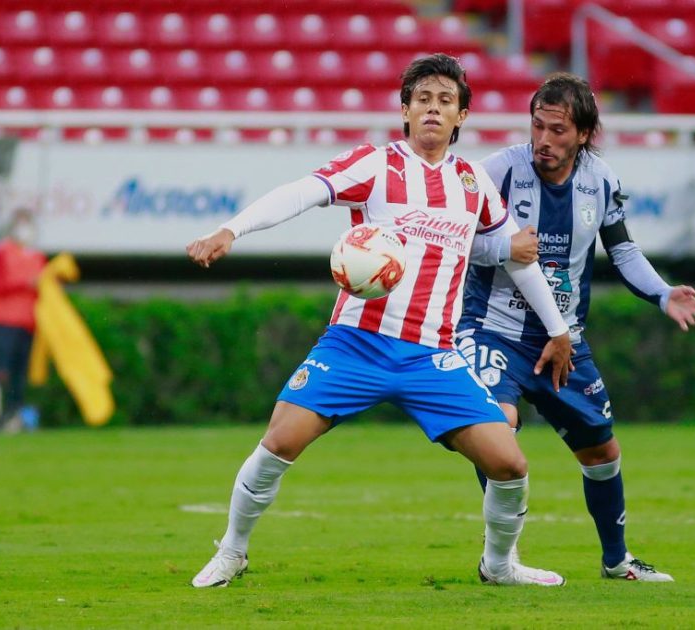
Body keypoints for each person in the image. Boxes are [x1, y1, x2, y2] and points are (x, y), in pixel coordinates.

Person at [186, 54, 575, 589]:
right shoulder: (376, 165)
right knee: (279, 441)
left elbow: (514, 256)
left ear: (462, 115)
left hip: (433, 355)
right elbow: (302, 192)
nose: (433, 110)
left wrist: (557, 330)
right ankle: (232, 551)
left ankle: (500, 565)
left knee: (509, 464)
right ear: (405, 110)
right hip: (356, 344)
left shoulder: (472, 184)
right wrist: (232, 229)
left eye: (445, 101)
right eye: (423, 100)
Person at [458, 73, 695, 581]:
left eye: (557, 131)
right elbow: (456, 235)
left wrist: (662, 293)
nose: (543, 141)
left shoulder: (602, 180)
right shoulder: (496, 172)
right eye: (537, 127)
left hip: (564, 339)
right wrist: (505, 248)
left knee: (602, 451)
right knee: (497, 433)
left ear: (584, 134)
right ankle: (499, 561)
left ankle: (616, 560)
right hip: (491, 330)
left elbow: (623, 250)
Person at [0, 208, 46, 431]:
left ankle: (14, 418)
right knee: (0, 373)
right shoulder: (1, 252)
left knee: (20, 376)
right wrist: (25, 283)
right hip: (3, 322)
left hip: (27, 323)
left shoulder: (36, 256)